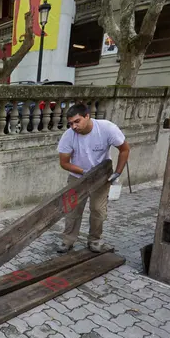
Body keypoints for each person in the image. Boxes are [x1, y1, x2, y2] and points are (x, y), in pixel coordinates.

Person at [57, 103, 130, 253]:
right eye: (70, 123)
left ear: (87, 116)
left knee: (98, 210)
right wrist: (84, 172)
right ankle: (68, 240)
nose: (74, 126)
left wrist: (117, 172)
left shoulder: (107, 129)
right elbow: (64, 163)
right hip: (78, 177)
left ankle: (95, 241)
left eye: (77, 121)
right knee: (72, 210)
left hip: (101, 177)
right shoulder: (69, 135)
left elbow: (124, 149)